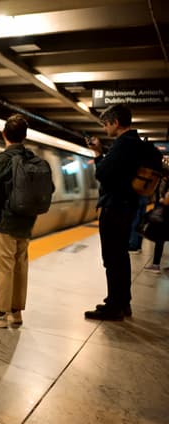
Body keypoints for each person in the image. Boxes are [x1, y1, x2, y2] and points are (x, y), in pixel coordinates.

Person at [0, 114, 47, 328]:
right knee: (20, 266)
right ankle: (16, 313)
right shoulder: (33, 159)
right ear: (24, 136)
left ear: (4, 134)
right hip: (27, 222)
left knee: (4, 268)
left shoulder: (3, 159)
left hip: (5, 223)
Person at [84, 104, 150, 320]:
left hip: (116, 207)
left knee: (112, 257)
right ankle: (122, 302)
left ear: (116, 122)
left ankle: (114, 306)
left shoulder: (123, 144)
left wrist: (99, 155)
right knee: (120, 256)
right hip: (127, 206)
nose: (105, 129)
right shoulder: (136, 143)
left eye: (106, 124)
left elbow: (102, 173)